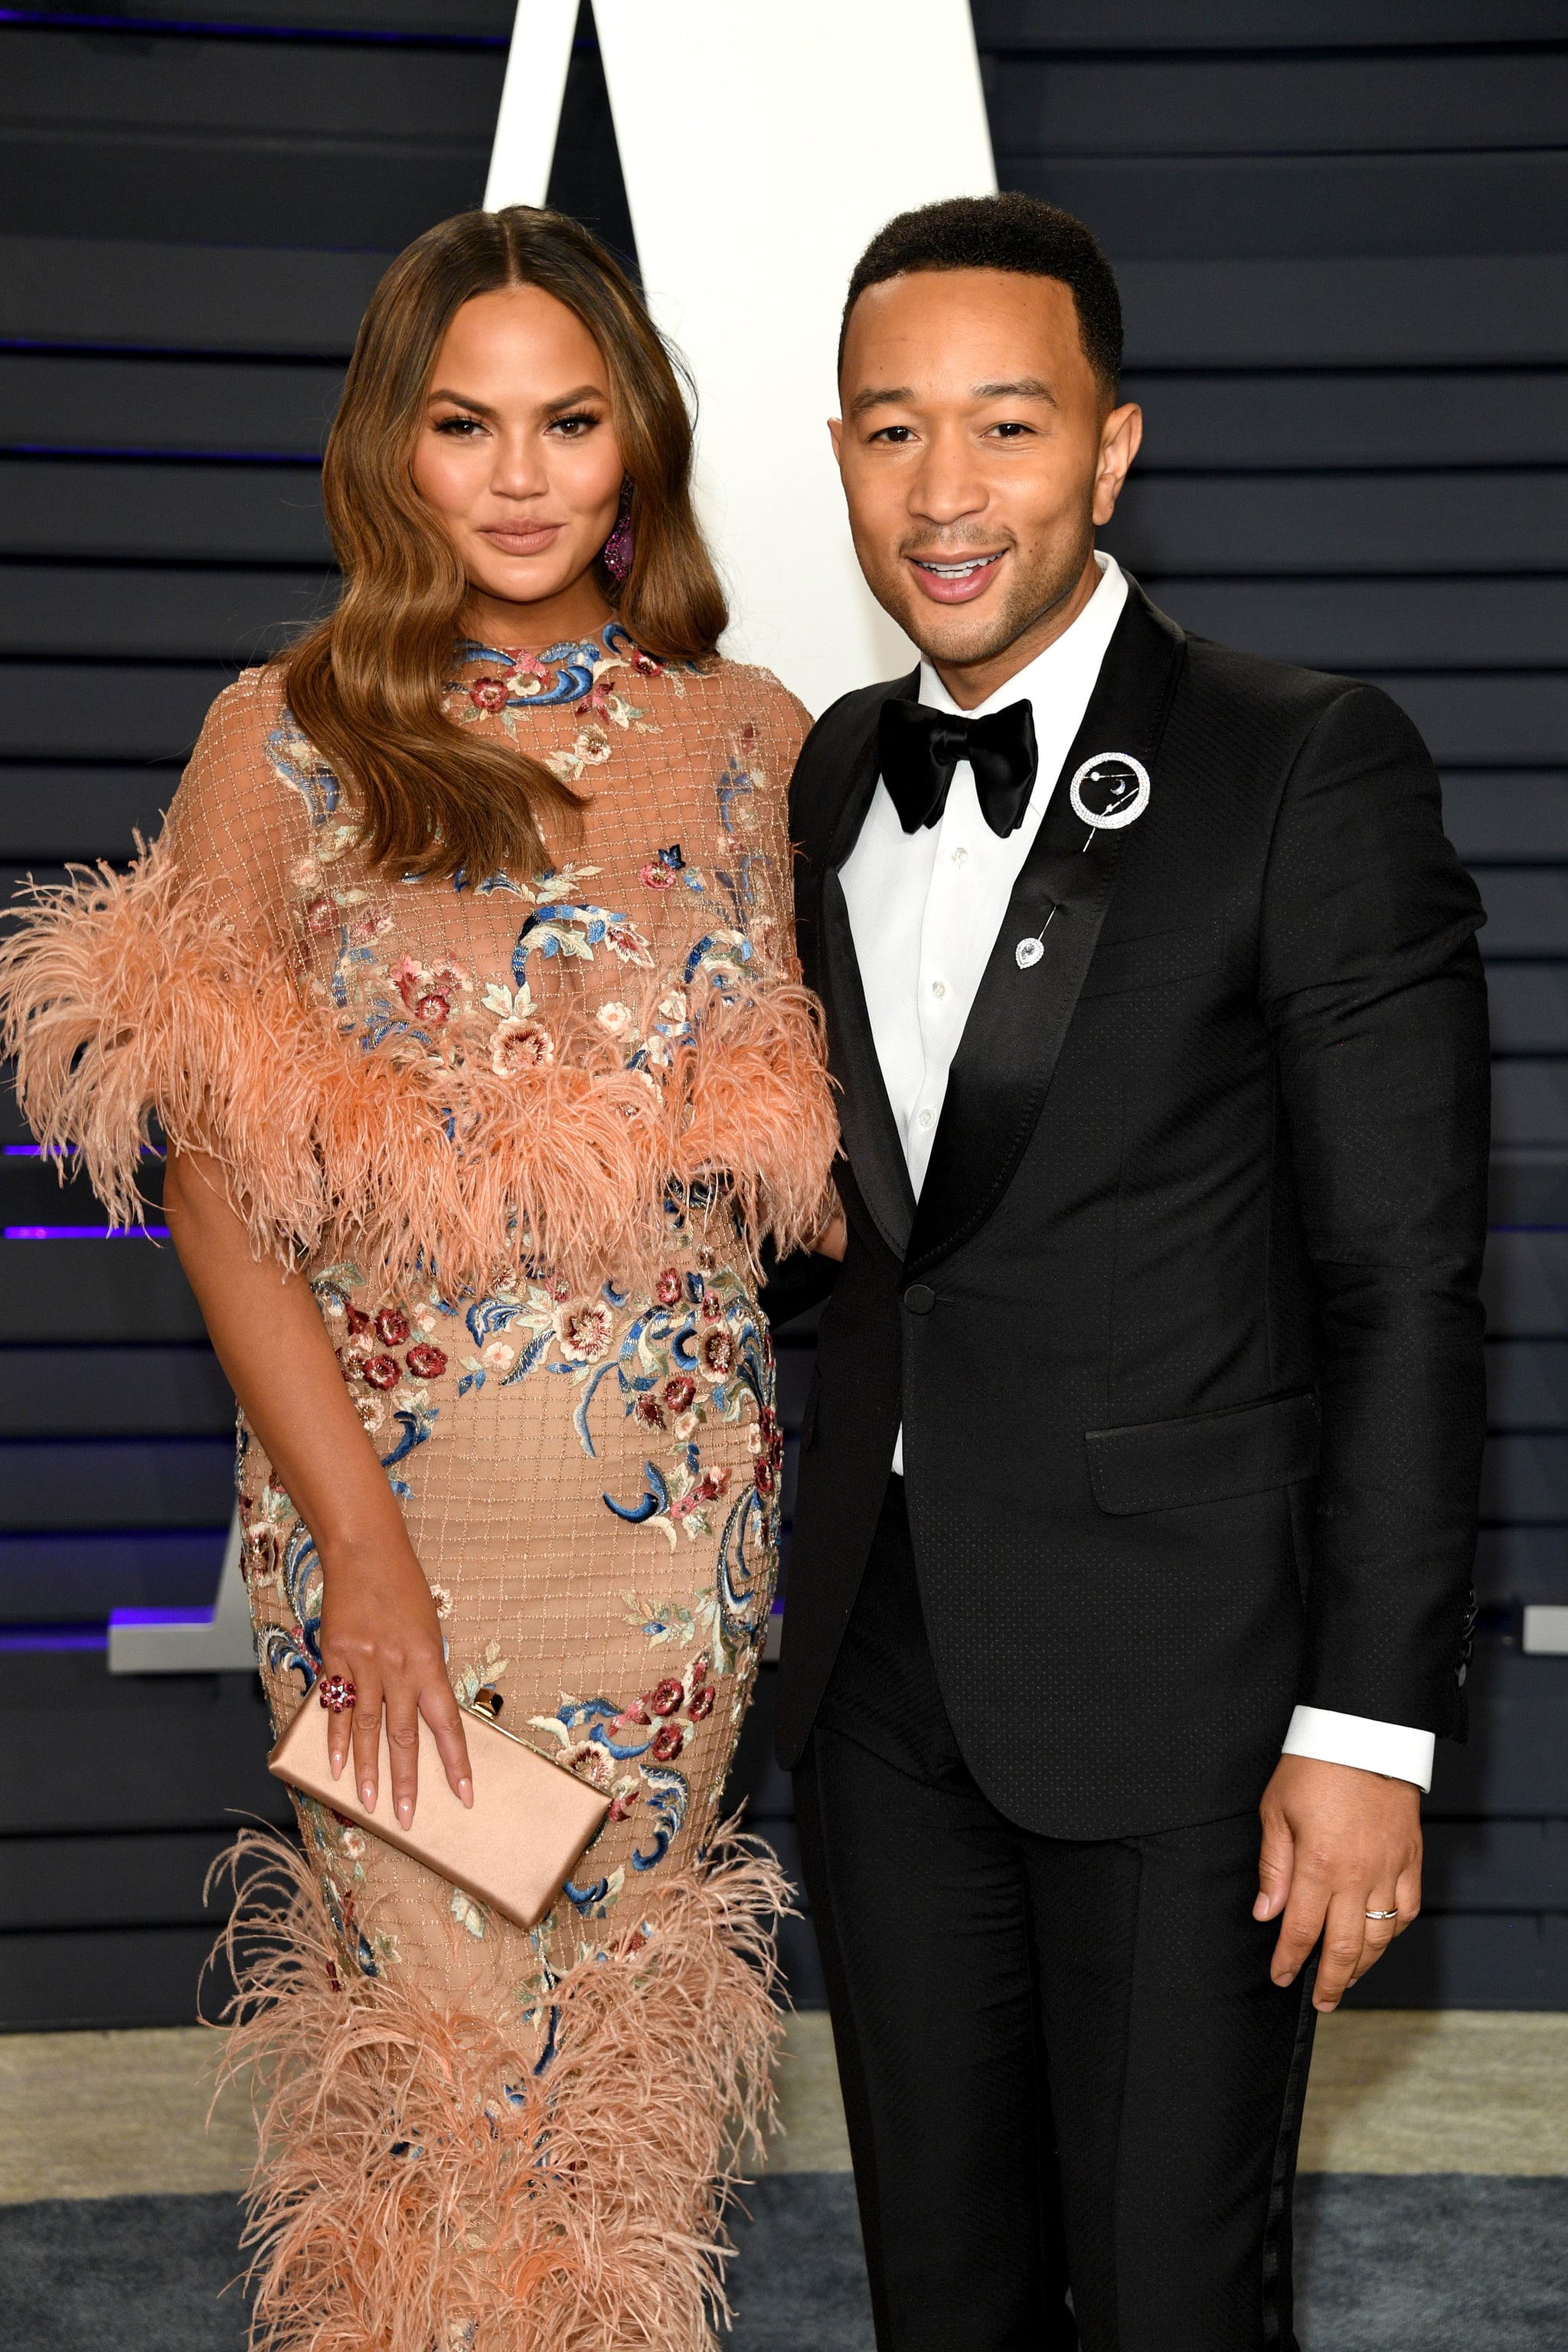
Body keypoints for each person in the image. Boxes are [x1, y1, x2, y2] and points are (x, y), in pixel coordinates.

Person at [1, 206, 835, 2352]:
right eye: (469, 425)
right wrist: (358, 1548)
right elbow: (215, 1193)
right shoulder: (277, 741)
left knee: (610, 2082)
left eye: (569, 422)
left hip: (676, 1549)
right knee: (436, 2091)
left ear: (636, 443)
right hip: (393, 1536)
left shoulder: (748, 739)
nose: (526, 473)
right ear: (395, 451)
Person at [765, 193, 1488, 2352]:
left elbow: (1405, 1291)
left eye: (1007, 427)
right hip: (883, 1681)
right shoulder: (822, 779)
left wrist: (1372, 1728)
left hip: (1193, 1697)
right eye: (896, 434)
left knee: (1178, 2298)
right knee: (942, 2296)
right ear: (836, 461)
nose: (947, 490)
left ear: (1113, 446)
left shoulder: (1301, 761)